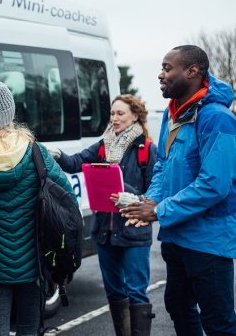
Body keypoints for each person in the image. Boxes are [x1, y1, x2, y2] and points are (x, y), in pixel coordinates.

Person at [121, 45, 236, 335]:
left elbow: (214, 184)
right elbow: (162, 166)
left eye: (167, 68)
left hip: (208, 242)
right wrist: (150, 200)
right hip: (177, 237)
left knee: (218, 321)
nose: (161, 75)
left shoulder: (217, 117)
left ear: (193, 71)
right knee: (177, 305)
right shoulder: (173, 115)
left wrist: (159, 210)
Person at [0, 72, 77, 335]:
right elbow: (67, 200)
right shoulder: (36, 152)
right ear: (10, 113)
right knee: (28, 329)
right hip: (34, 262)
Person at [47, 94, 157, 335]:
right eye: (112, 113)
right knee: (114, 292)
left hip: (133, 231)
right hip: (104, 233)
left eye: (120, 113)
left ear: (135, 116)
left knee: (137, 291)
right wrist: (56, 155)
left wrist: (134, 198)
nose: (114, 118)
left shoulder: (147, 149)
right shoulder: (104, 144)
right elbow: (76, 162)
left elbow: (157, 191)